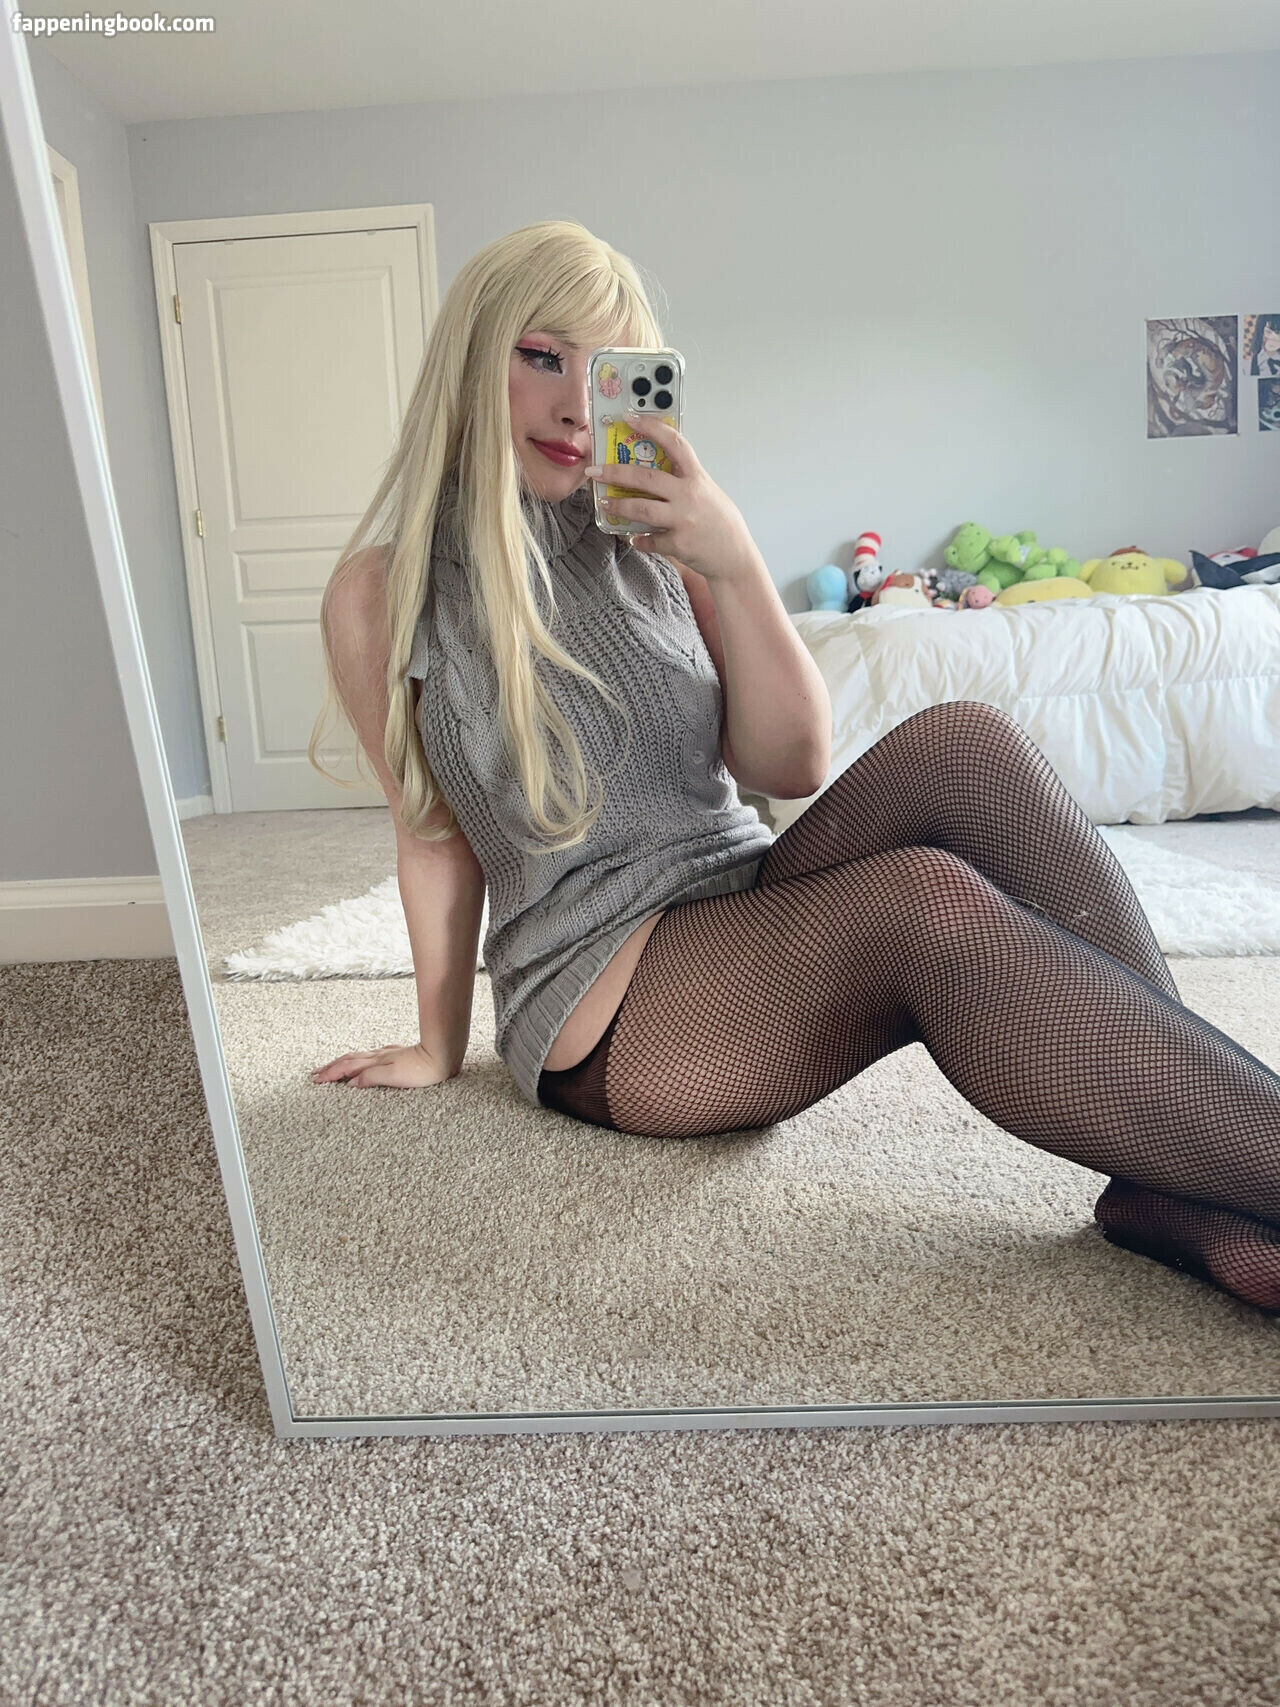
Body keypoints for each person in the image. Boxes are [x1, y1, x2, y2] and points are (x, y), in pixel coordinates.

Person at [309, 219, 1280, 1316]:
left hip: (744, 896)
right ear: (470, 357)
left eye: (606, 372)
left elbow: (792, 763)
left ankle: (1170, 1179)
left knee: (968, 745)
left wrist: (730, 561)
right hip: (606, 996)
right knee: (923, 904)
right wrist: (437, 1045)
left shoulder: (651, 536)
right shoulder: (384, 593)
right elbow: (431, 836)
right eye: (541, 358)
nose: (578, 407)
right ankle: (1213, 1169)